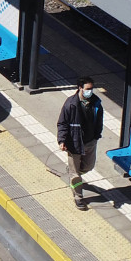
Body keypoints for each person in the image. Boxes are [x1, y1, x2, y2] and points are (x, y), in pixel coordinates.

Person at [55, 77, 105, 211]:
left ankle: (73, 173)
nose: (90, 91)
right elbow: (62, 124)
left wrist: (97, 135)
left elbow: (99, 120)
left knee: (89, 166)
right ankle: (78, 198)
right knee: (75, 175)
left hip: (90, 142)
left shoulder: (96, 103)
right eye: (88, 89)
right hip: (74, 144)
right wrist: (62, 140)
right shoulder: (70, 104)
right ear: (80, 88)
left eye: (91, 88)